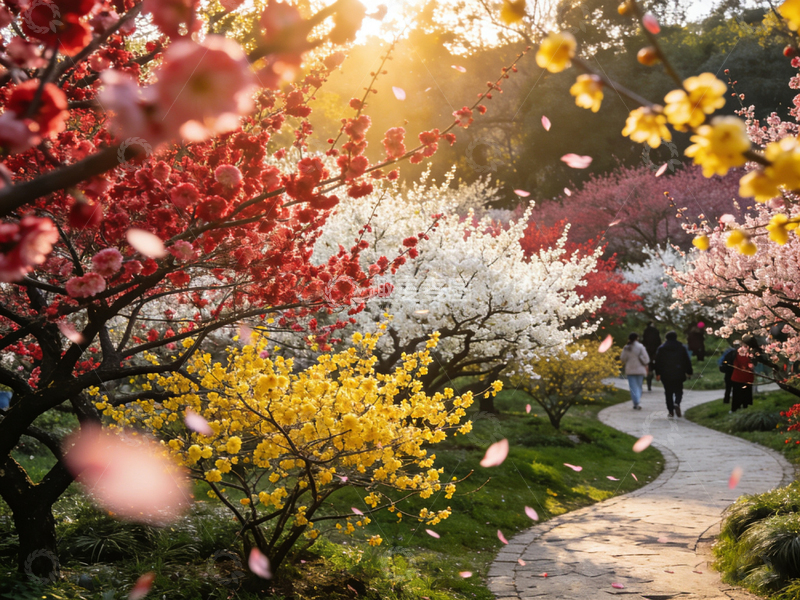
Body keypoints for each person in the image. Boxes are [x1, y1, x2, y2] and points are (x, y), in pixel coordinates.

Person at [654, 331, 693, 418]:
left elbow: (658, 362)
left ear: (666, 338)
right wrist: (689, 371)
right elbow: (686, 361)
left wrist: (658, 373)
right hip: (679, 372)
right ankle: (677, 403)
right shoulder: (681, 348)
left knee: (668, 393)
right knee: (679, 390)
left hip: (666, 373)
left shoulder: (661, 349)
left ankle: (671, 411)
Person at [620, 332, 649, 410]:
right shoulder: (641, 347)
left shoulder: (627, 348)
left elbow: (622, 358)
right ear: (637, 338)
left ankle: (636, 402)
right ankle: (637, 401)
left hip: (630, 370)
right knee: (639, 386)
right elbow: (646, 359)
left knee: (633, 387)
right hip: (640, 369)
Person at [730, 348, 754, 412]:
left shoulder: (749, 355)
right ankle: (740, 408)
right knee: (740, 395)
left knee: (740, 395)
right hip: (741, 377)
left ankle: (740, 408)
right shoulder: (736, 354)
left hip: (743, 378)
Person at [642, 321, 661, 392]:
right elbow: (659, 341)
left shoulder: (646, 331)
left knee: (648, 367)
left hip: (647, 351)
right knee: (654, 366)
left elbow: (644, 340)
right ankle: (656, 376)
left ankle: (648, 382)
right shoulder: (656, 331)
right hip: (654, 352)